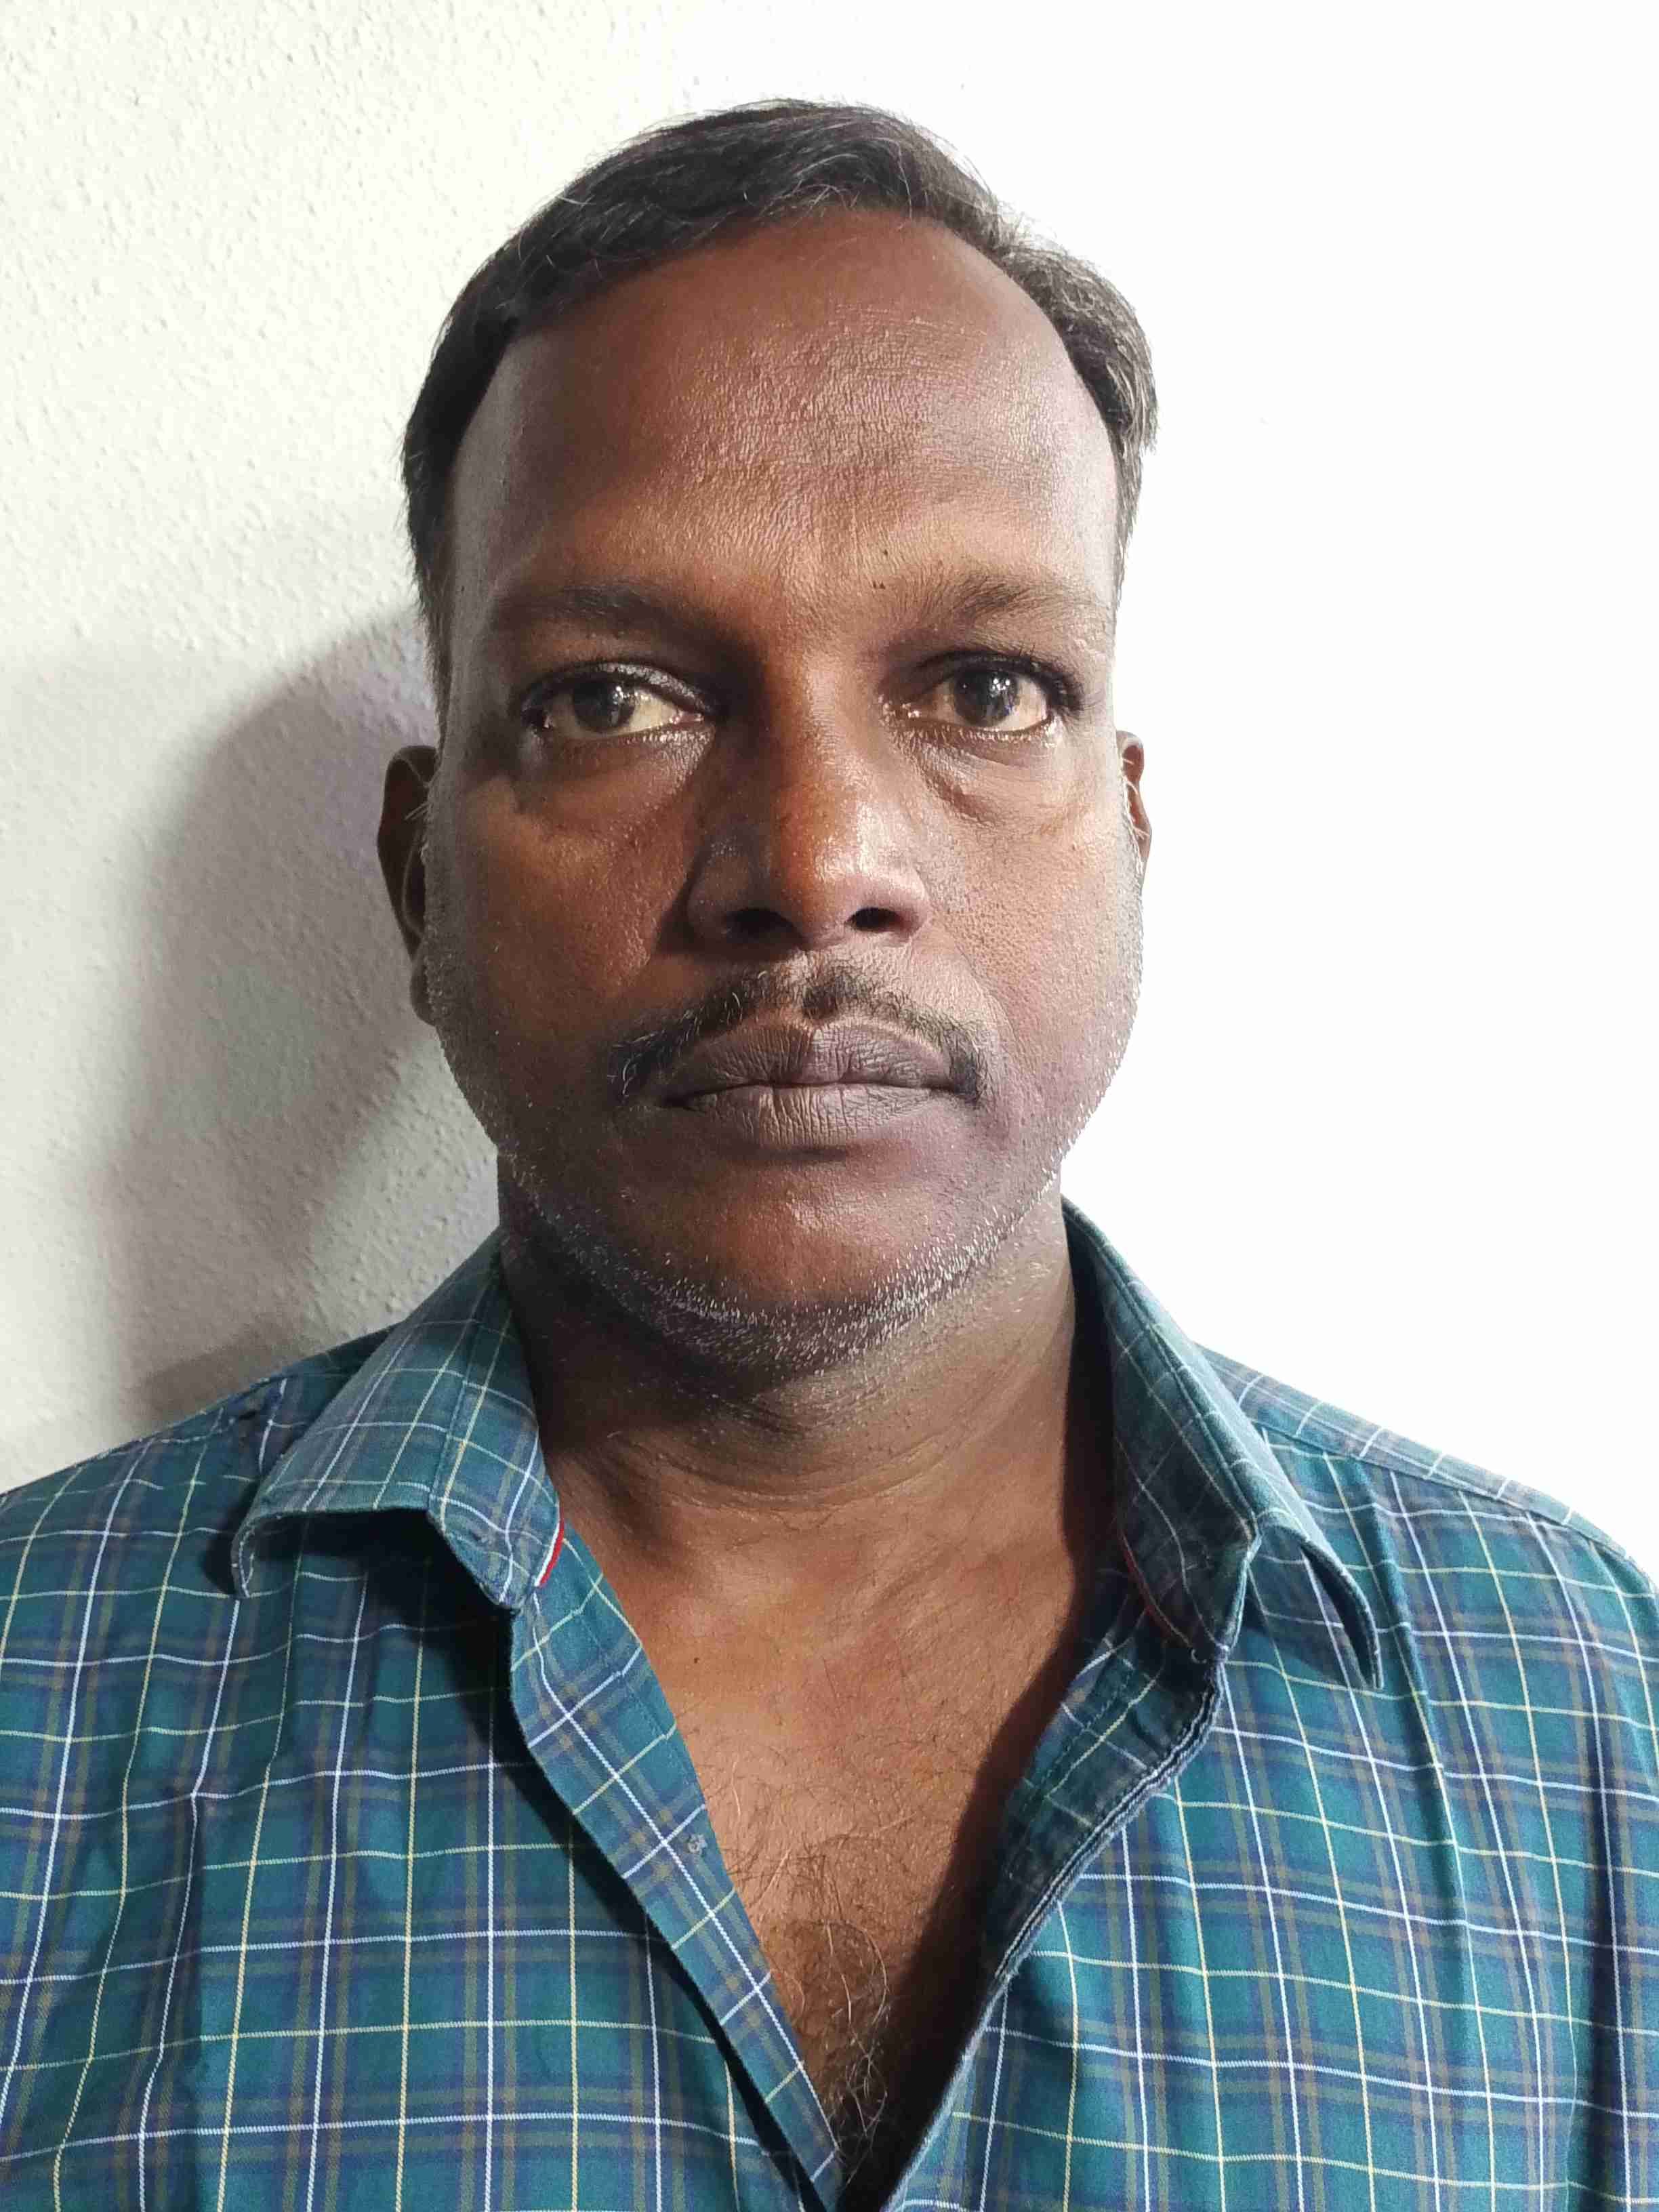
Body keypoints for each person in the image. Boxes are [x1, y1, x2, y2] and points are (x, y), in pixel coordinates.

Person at [1, 98, 1653, 2212]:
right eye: (615, 698)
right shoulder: (35, 1712)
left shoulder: (1582, 1715)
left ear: (1132, 832)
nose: (815, 859)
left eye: (983, 686)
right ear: (421, 877)